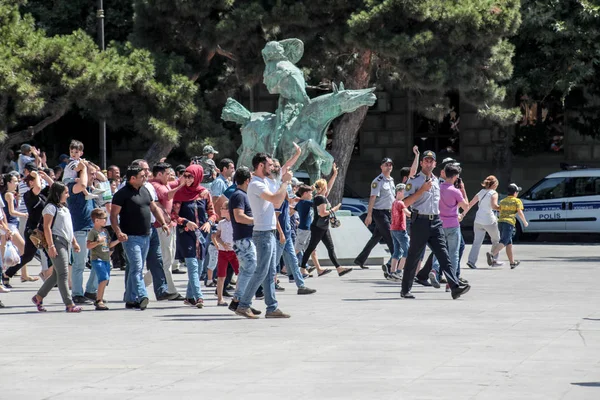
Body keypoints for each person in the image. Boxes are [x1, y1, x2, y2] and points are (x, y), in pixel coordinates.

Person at [399, 150, 471, 299]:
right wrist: (422, 190)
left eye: (432, 161)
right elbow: (405, 203)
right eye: (426, 160)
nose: (429, 163)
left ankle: (454, 286)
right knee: (414, 256)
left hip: (436, 221)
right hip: (420, 221)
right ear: (421, 163)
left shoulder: (438, 181)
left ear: (435, 164)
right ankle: (405, 289)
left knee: (444, 255)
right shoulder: (414, 180)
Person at [235, 153, 293, 319]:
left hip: (269, 231)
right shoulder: (256, 184)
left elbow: (280, 174)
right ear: (260, 166)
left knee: (269, 272)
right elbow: (276, 201)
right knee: (261, 271)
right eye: (269, 165)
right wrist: (285, 182)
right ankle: (244, 304)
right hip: (263, 233)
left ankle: (272, 307)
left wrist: (296, 155)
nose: (271, 167)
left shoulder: (265, 181)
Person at [111, 165, 170, 310]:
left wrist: (163, 223)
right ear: (132, 179)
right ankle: (142, 294)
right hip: (130, 237)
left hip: (146, 235)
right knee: (137, 267)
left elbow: (154, 208)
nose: (145, 178)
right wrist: (118, 232)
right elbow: (113, 216)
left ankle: (131, 299)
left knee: (134, 268)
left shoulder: (144, 190)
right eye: (142, 176)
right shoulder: (121, 194)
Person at [31, 182, 83, 313]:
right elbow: (47, 227)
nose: (68, 195)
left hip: (65, 241)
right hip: (56, 241)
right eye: (65, 192)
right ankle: (69, 304)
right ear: (58, 194)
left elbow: (68, 227)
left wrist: (74, 242)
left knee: (56, 274)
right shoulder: (50, 207)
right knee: (64, 273)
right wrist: (51, 245)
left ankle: (38, 297)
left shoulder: (63, 207)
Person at [171, 165, 217, 309]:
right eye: (185, 176)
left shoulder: (204, 193)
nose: (188, 179)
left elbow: (213, 213)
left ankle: (189, 297)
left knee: (199, 266)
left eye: (191, 176)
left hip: (202, 234)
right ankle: (199, 297)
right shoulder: (180, 194)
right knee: (192, 265)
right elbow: (174, 215)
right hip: (186, 233)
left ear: (198, 176)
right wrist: (186, 221)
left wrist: (209, 223)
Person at [3, 169, 53, 287]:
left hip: (43, 229)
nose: (41, 182)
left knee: (29, 256)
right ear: (32, 183)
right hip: (33, 230)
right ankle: (7, 274)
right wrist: (35, 174)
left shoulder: (41, 194)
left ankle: (7, 274)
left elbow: (55, 187)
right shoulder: (29, 195)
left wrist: (45, 177)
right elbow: (38, 187)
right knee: (30, 255)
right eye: (38, 180)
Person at [299, 169, 353, 278]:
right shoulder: (320, 198)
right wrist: (335, 209)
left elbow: (329, 186)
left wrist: (335, 174)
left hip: (323, 227)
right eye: (325, 187)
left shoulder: (322, 196)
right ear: (323, 188)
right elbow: (322, 213)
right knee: (311, 247)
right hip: (318, 227)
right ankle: (302, 268)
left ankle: (339, 268)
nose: (327, 188)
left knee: (330, 247)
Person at [149, 162, 185, 299]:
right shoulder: (156, 185)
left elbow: (174, 184)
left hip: (168, 226)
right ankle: (170, 290)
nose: (170, 175)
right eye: (167, 173)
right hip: (161, 227)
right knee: (166, 260)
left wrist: (184, 178)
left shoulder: (164, 183)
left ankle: (139, 285)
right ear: (159, 174)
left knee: (165, 259)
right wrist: (181, 185)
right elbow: (168, 195)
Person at [354, 157, 396, 271]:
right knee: (390, 237)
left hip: (389, 212)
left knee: (376, 237)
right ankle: (395, 262)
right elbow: (372, 198)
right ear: (381, 167)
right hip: (379, 213)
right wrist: (369, 215)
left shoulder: (391, 180)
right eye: (386, 165)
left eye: (390, 165)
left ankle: (360, 259)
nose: (389, 167)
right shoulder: (377, 181)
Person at [67, 159, 98, 304]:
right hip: (80, 230)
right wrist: (84, 168)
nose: (94, 176)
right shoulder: (73, 186)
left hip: (92, 230)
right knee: (79, 264)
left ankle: (91, 291)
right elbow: (83, 184)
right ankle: (77, 294)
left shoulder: (90, 189)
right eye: (91, 174)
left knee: (99, 261)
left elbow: (103, 179)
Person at [438, 164, 470, 291]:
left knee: (441, 253)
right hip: (453, 224)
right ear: (456, 176)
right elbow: (465, 206)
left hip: (440, 224)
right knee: (454, 255)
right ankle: (451, 282)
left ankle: (437, 272)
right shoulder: (455, 191)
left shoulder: (438, 188)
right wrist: (463, 190)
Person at [464, 175, 502, 269]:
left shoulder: (481, 192)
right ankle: (494, 259)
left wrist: (463, 214)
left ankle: (471, 261)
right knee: (496, 240)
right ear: (494, 184)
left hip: (478, 220)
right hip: (489, 221)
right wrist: (503, 208)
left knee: (477, 242)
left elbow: (470, 204)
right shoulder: (494, 193)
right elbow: (494, 206)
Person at [487, 183, 529, 269]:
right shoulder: (517, 201)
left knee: (509, 243)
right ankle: (492, 255)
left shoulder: (503, 201)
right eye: (517, 192)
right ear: (515, 193)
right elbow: (520, 212)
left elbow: (499, 209)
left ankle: (512, 262)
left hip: (501, 222)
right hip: (509, 223)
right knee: (504, 241)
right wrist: (525, 222)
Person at [87, 208, 120, 310]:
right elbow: (88, 246)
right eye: (103, 219)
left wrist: (119, 240)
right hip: (97, 259)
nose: (105, 221)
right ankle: (99, 300)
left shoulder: (105, 231)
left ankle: (99, 297)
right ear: (96, 220)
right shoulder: (93, 232)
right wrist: (98, 241)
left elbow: (109, 245)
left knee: (105, 280)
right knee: (104, 278)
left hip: (106, 258)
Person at [294, 185, 328, 276]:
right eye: (310, 193)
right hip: (304, 229)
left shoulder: (302, 202)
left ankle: (319, 269)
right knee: (297, 249)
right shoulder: (305, 202)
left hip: (307, 229)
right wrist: (320, 194)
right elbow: (317, 203)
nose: (312, 195)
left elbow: (294, 210)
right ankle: (285, 267)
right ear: (305, 194)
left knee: (312, 250)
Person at [213, 200, 239, 306]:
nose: (220, 210)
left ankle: (238, 297)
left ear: (229, 210)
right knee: (221, 276)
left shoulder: (236, 222)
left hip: (234, 251)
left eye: (223, 208)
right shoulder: (221, 223)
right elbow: (217, 236)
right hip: (223, 252)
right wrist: (222, 244)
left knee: (240, 274)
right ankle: (220, 298)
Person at [2, 172, 27, 256]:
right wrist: (24, 215)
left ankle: (16, 268)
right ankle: (14, 269)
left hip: (10, 224)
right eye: (15, 181)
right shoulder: (9, 194)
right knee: (23, 248)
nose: (17, 183)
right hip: (9, 225)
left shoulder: (10, 194)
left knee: (10, 251)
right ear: (9, 183)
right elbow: (11, 211)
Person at [390, 183, 410, 281]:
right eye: (404, 192)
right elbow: (408, 213)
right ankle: (399, 271)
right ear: (399, 192)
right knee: (407, 251)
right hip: (400, 230)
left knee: (397, 251)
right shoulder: (401, 203)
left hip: (393, 229)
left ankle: (392, 271)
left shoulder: (394, 203)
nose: (405, 194)